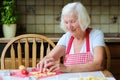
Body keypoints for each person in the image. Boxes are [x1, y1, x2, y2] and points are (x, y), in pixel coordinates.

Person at [37, 2, 105, 73]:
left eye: (72, 22)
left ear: (83, 20)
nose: (69, 27)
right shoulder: (67, 37)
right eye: (66, 22)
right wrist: (45, 61)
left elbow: (99, 64)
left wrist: (67, 68)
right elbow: (50, 57)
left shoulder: (96, 35)